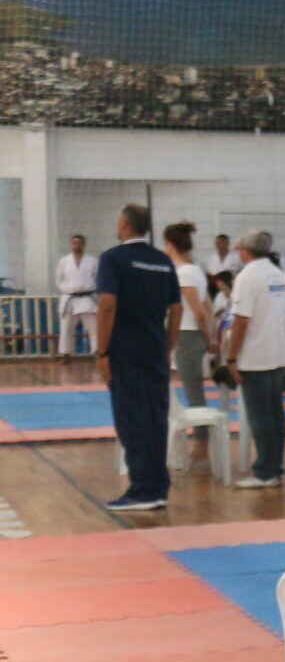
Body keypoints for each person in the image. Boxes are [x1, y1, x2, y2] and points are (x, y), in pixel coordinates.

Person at [90, 205, 183, 513]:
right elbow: (176, 309)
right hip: (155, 350)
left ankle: (143, 489)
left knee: (132, 420)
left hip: (125, 351)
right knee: (156, 418)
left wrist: (102, 351)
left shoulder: (113, 258)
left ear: (126, 224)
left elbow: (107, 305)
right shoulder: (162, 261)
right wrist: (167, 346)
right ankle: (157, 487)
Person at [223, 232, 285, 489]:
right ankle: (274, 466)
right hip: (277, 351)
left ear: (244, 250)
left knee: (260, 416)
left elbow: (241, 320)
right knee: (275, 413)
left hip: (255, 354)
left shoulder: (247, 277)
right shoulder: (278, 274)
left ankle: (265, 471)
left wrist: (231, 357)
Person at [163, 223, 217, 473]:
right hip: (191, 335)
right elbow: (208, 309)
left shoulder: (184, 273)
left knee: (193, 390)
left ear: (170, 245)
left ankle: (201, 445)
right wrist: (210, 336)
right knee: (193, 388)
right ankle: (200, 443)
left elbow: (198, 311)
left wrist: (209, 338)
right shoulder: (195, 270)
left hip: (188, 335)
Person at [55, 235, 98, 357]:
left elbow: (98, 278)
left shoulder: (93, 261)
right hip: (69, 298)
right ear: (70, 245)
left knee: (93, 328)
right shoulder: (63, 261)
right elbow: (58, 280)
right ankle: (65, 353)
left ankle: (97, 351)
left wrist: (88, 288)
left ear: (84, 245)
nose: (76, 245)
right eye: (73, 243)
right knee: (66, 328)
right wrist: (68, 289)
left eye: (78, 243)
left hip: (87, 298)